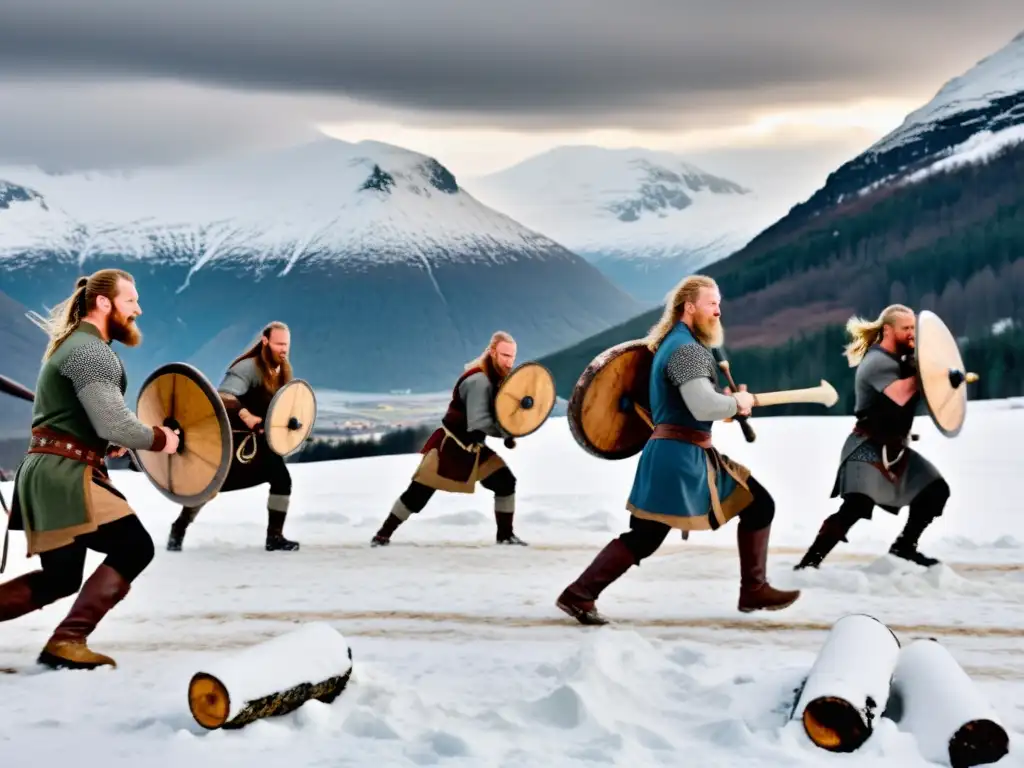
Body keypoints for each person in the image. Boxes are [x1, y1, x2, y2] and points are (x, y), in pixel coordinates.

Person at [555, 275, 801, 625]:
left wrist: (726, 403)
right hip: (678, 456)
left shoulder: (675, 344)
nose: (718, 311)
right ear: (689, 307)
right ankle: (579, 594)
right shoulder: (687, 350)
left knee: (755, 505)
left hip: (682, 452)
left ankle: (753, 589)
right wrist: (737, 403)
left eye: (719, 304)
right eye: (712, 303)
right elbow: (702, 405)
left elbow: (692, 404)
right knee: (646, 536)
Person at [0, 270, 178, 669]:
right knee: (135, 546)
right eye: (130, 301)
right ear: (104, 303)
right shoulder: (90, 351)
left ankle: (66, 642)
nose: (138, 310)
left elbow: (80, 420)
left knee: (60, 579)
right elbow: (115, 422)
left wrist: (102, 442)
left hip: (50, 470)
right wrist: (161, 438)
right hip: (64, 475)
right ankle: (67, 641)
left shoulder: (75, 346)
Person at [794, 304, 948, 570]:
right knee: (856, 504)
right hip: (867, 446)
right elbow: (899, 395)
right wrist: (925, 371)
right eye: (906, 328)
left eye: (914, 328)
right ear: (888, 330)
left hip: (895, 448)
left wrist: (941, 376)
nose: (912, 333)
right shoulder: (877, 362)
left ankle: (904, 547)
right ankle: (809, 564)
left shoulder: (902, 360)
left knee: (935, 491)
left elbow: (924, 385)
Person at [372, 331, 526, 547]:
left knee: (505, 482)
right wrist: (506, 433)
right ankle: (382, 535)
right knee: (417, 495)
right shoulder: (479, 381)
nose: (509, 362)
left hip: (473, 450)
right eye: (504, 355)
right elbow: (479, 421)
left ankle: (505, 536)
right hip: (450, 448)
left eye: (512, 356)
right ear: (492, 353)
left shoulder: (493, 378)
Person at [166, 321, 300, 552]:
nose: (283, 349)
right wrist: (246, 415)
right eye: (279, 344)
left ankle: (274, 537)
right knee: (207, 488)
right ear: (265, 342)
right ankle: (179, 528)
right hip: (232, 446)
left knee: (281, 479)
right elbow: (224, 396)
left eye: (286, 344)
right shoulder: (247, 368)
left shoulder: (280, 371)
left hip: (260, 446)